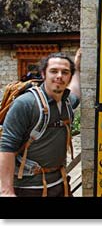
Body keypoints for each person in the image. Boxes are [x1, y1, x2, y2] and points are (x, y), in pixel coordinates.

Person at [0, 48, 81, 197]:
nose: (59, 76)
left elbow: (75, 91)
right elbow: (6, 146)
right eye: (54, 71)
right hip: (29, 188)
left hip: (60, 183)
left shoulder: (67, 102)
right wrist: (6, 191)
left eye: (65, 72)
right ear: (43, 74)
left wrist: (77, 66)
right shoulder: (26, 104)